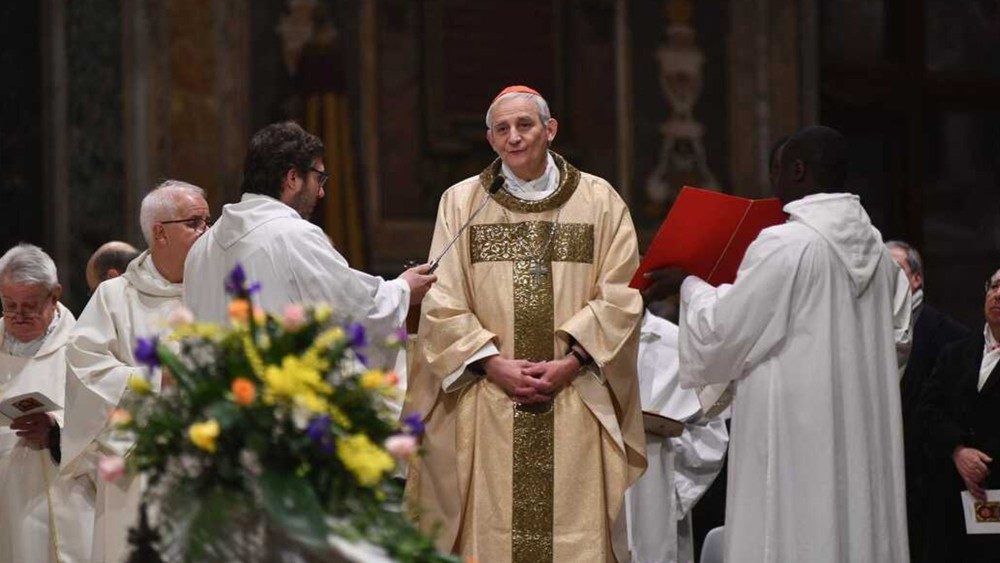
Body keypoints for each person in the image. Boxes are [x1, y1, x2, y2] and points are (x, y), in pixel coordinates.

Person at [404, 85, 646, 562]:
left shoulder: (600, 201)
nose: (514, 138)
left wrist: (570, 364)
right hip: (490, 400)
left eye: (525, 125)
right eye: (502, 129)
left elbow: (623, 293)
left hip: (573, 397)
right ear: (490, 139)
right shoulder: (461, 202)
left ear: (549, 130)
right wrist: (494, 365)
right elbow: (442, 301)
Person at [650, 125, 913, 562]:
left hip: (793, 433)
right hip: (858, 432)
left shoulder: (786, 244)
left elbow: (725, 329)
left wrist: (690, 285)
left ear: (798, 170)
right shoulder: (880, 260)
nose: (774, 186)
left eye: (777, 172)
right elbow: (899, 344)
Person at [183, 122, 435, 366]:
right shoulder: (293, 235)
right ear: (293, 178)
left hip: (214, 406)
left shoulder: (201, 247)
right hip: (276, 403)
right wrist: (403, 290)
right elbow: (355, 312)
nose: (322, 192)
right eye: (319, 179)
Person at [62, 180, 209, 563]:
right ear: (159, 232)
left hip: (209, 471)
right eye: (195, 223)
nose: (206, 233)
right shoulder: (115, 297)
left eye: (209, 221)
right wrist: (157, 380)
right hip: (138, 474)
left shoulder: (219, 292)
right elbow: (86, 371)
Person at [0, 244, 91, 563]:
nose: (18, 315)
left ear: (55, 295)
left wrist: (55, 431)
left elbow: (106, 428)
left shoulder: (85, 349)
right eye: (9, 304)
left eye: (30, 305)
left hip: (60, 497)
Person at [886, 239, 969, 561]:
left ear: (916, 279)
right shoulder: (861, 330)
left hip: (925, 470)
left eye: (895, 270)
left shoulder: (950, 335)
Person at [624, 309, 728, 563]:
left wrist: (665, 487)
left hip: (654, 503)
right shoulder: (578, 350)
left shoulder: (680, 344)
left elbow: (712, 434)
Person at [919, 268, 1000, 562]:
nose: (998, 294)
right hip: (951, 500)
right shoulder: (956, 352)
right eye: (994, 286)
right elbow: (927, 411)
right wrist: (957, 450)